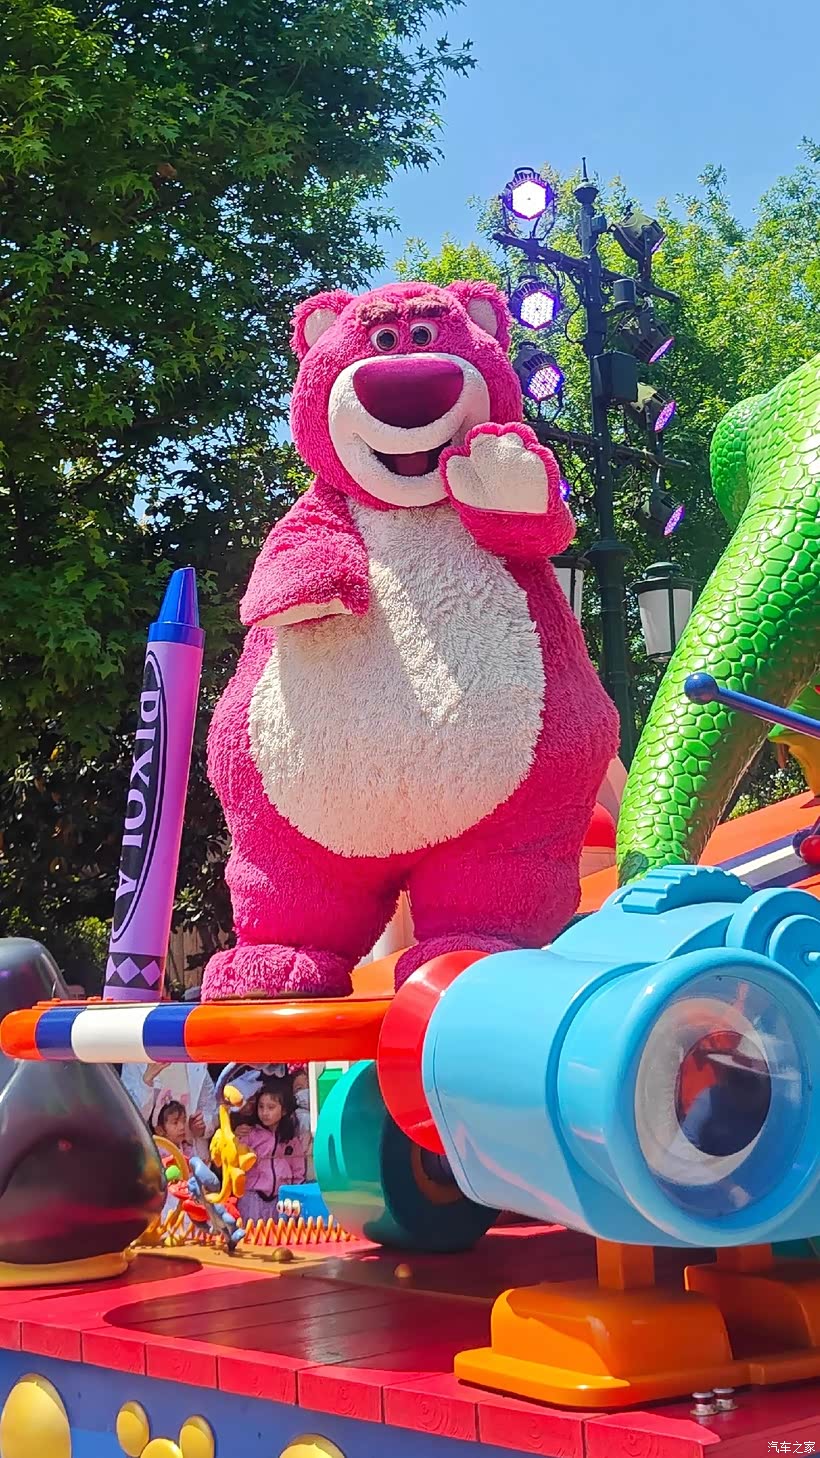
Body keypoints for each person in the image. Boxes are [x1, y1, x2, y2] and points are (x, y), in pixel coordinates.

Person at [234, 1082, 306, 1225]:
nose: (265, 1113)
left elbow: (298, 1171)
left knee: (280, 1235)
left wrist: (295, 1196)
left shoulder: (291, 1140)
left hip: (281, 1201)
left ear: (284, 1110)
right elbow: (235, 1161)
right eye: (261, 1107)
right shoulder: (249, 1134)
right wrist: (235, 1139)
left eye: (271, 1107)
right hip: (253, 1198)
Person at [120, 1060, 218, 1149]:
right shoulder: (134, 1060)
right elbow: (129, 1121)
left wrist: (202, 1127)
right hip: (152, 1156)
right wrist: (146, 1082)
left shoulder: (195, 1059)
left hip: (194, 1156)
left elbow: (212, 1110)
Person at [153, 1098, 210, 1163]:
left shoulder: (186, 1149)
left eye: (183, 1121)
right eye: (175, 1123)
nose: (182, 1127)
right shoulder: (157, 1153)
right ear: (159, 1130)